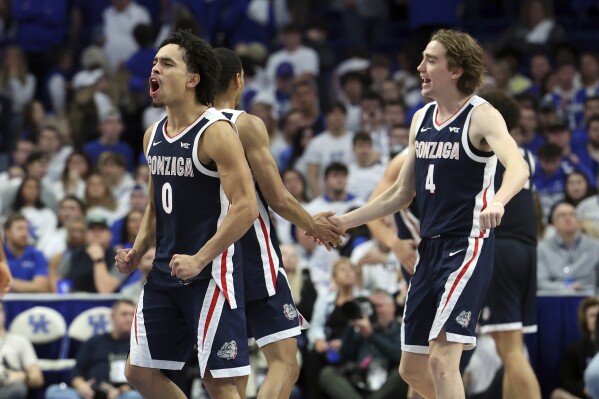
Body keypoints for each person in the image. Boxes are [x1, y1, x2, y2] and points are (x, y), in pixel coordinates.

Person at [328, 29, 529, 398]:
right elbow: (401, 193)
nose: (420, 67)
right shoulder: (421, 119)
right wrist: (345, 221)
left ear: (455, 70)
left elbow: (518, 167)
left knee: (441, 361)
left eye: (430, 60)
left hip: (467, 246)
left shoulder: (481, 115)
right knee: (411, 369)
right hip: (429, 249)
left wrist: (498, 199)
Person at [114, 30, 258, 399]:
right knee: (138, 371)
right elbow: (154, 205)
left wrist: (199, 258)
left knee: (219, 383)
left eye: (167, 63)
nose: (155, 69)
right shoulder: (152, 135)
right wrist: (137, 249)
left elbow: (246, 207)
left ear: (192, 79)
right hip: (165, 270)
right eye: (154, 63)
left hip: (210, 273)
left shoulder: (216, 132)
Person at [212, 47, 342, 399]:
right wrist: (314, 225)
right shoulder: (243, 124)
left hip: (208, 256)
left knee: (230, 372)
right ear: (239, 80)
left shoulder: (182, 131)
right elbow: (278, 197)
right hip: (250, 250)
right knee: (285, 361)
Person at [477, 90, 541, 399]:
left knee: (510, 349)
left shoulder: (487, 152)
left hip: (500, 248)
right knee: (511, 347)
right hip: (527, 250)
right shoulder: (526, 154)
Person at [45, 299, 142, 399]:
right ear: (113, 316)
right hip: (89, 394)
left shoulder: (139, 346)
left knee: (134, 396)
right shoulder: (94, 342)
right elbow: (77, 371)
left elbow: (142, 380)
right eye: (124, 314)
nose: (129, 318)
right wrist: (82, 386)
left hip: (120, 395)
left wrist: (120, 390)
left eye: (132, 315)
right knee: (53, 391)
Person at [0, 301, 43, 399]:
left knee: (18, 389)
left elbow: (38, 378)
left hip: (7, 387)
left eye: (0, 310)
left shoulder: (20, 341)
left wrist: (23, 376)